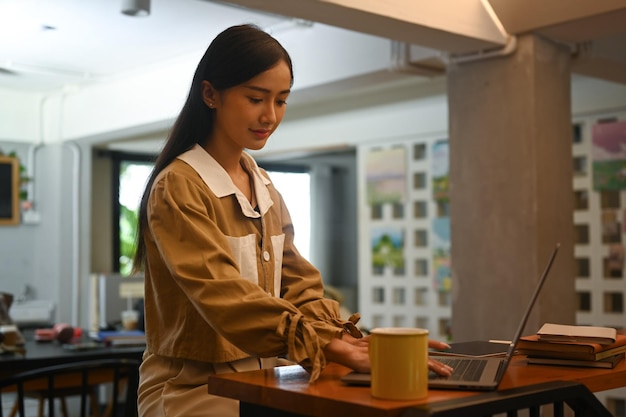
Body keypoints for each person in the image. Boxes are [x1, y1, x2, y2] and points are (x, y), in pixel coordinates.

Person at [132, 24, 452, 417]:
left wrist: (342, 336)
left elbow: (297, 283)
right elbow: (224, 296)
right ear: (210, 94)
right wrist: (323, 344)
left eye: (281, 101)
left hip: (266, 377)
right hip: (195, 387)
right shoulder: (178, 186)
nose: (270, 115)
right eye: (256, 98)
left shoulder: (263, 185)